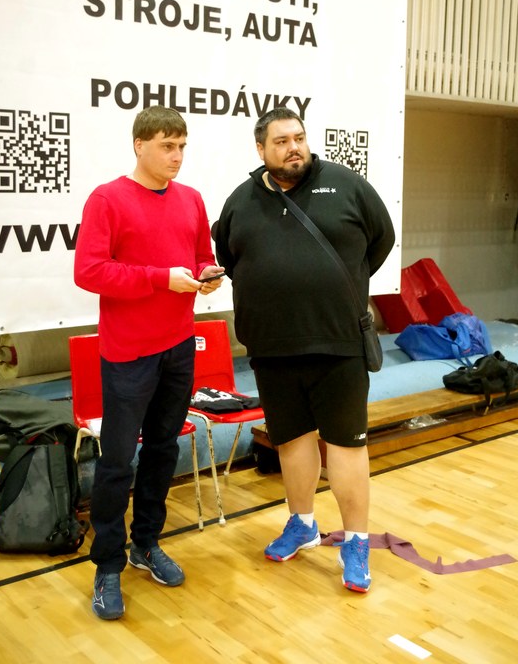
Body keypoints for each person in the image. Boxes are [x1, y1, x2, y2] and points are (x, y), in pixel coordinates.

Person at [214, 107, 395, 593]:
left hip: (338, 343)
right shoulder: (241, 201)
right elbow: (228, 255)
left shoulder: (347, 185)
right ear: (261, 149)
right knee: (292, 441)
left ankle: (356, 541)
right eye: (281, 141)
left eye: (298, 137)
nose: (293, 147)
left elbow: (381, 240)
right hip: (272, 347)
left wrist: (335, 285)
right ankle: (303, 523)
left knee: (346, 445)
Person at [74, 106, 224, 620]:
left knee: (162, 451)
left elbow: (199, 255)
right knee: (117, 462)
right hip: (128, 353)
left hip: (178, 345)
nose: (177, 156)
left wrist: (207, 273)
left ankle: (145, 543)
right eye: (166, 146)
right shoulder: (107, 199)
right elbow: (89, 271)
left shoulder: (191, 199)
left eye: (181, 146)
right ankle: (107, 565)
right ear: (139, 145)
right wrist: (162, 278)